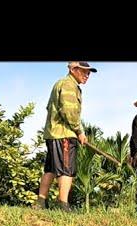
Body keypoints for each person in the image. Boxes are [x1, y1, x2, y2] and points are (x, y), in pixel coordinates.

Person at [33, 61, 97, 211]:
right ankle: (63, 205)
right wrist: (79, 132)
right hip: (64, 135)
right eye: (84, 72)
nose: (87, 76)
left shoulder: (61, 83)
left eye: (88, 73)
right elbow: (69, 111)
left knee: (50, 168)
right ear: (74, 69)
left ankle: (40, 202)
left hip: (53, 134)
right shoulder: (69, 85)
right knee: (66, 169)